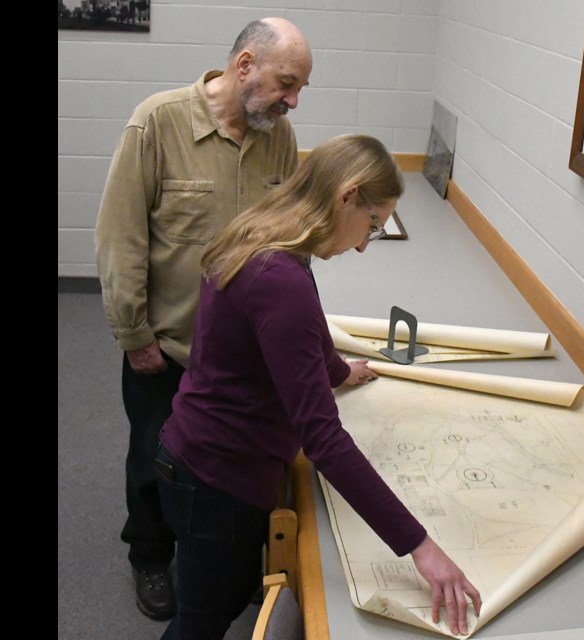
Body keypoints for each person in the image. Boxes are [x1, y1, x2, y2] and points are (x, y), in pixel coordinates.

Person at [155, 134, 482, 639]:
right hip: (218, 482)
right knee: (201, 624)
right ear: (347, 195)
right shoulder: (279, 280)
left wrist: (335, 370)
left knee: (224, 591)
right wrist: (420, 546)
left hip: (196, 457)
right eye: (371, 224)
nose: (362, 244)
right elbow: (323, 440)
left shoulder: (265, 236)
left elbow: (285, 338)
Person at [94, 17, 312, 621]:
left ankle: (224, 559)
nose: (292, 101)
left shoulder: (280, 137)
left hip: (241, 355)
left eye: (299, 91)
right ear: (244, 66)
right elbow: (121, 240)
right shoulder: (157, 123)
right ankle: (150, 555)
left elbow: (286, 239)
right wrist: (134, 336)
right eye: (285, 84)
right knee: (152, 455)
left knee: (231, 464)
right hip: (167, 346)